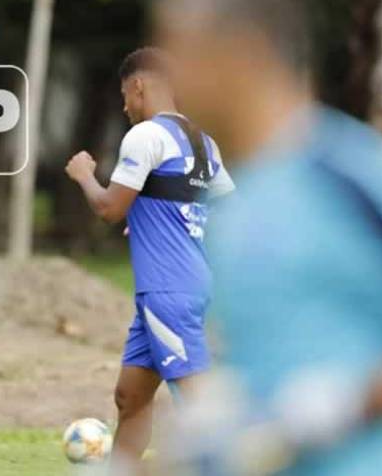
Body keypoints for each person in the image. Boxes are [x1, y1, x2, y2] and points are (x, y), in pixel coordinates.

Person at [151, 0, 382, 475]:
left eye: (179, 54)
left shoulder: (345, 174)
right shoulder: (235, 198)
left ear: (244, 54)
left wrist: (349, 405)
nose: (171, 77)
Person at [64, 47, 235, 473]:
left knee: (199, 405)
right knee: (130, 396)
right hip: (176, 288)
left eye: (125, 95)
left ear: (138, 85)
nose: (125, 106)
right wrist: (151, 223)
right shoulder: (204, 143)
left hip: (168, 291)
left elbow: (108, 208)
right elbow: (224, 211)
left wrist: (84, 174)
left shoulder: (145, 136)